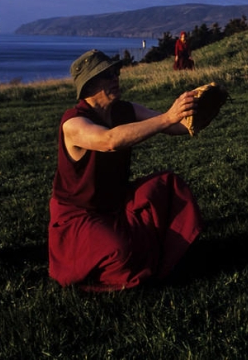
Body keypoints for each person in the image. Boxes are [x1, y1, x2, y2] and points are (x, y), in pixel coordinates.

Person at [48, 49, 203, 292]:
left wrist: (201, 107)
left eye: (115, 73)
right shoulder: (73, 122)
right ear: (88, 86)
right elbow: (109, 140)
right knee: (119, 251)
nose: (116, 78)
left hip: (115, 203)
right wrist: (168, 117)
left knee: (169, 185)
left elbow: (175, 127)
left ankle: (160, 259)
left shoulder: (124, 109)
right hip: (79, 215)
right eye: (107, 75)